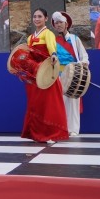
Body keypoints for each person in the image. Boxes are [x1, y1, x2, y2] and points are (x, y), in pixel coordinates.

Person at [21, 8, 69, 143]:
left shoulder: (48, 33)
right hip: (33, 74)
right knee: (35, 103)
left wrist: (53, 55)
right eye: (35, 16)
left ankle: (51, 133)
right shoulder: (30, 37)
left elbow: (51, 48)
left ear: (46, 19)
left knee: (49, 103)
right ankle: (36, 133)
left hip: (46, 73)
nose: (37, 19)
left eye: (40, 16)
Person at [52, 11, 89, 136]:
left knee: (73, 102)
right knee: (60, 103)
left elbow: (83, 55)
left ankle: (73, 130)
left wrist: (83, 63)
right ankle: (62, 128)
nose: (58, 25)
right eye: (56, 23)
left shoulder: (74, 39)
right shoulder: (53, 40)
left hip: (73, 74)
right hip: (58, 75)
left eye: (60, 22)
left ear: (66, 24)